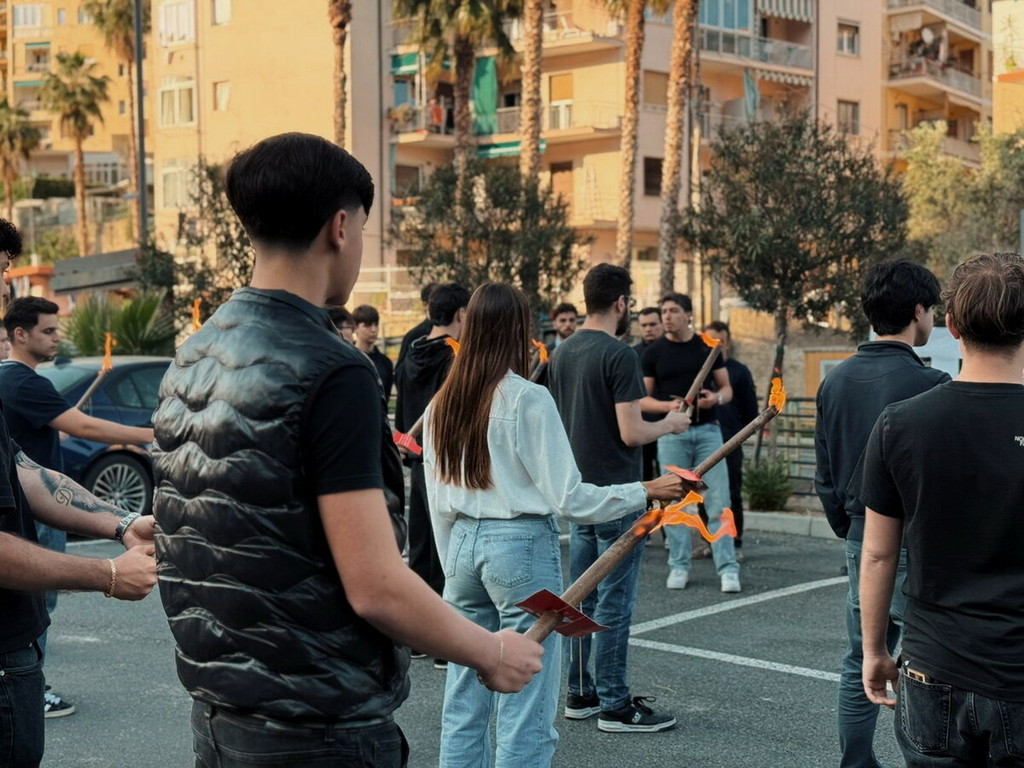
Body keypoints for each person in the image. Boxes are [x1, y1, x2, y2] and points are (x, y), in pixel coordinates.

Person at [152, 133, 541, 768]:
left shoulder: (193, 353)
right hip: (317, 731)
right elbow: (376, 586)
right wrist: (490, 651)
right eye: (361, 227)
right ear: (340, 227)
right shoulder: (333, 370)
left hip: (220, 719)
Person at [424, 282, 687, 765]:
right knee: (527, 696)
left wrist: (451, 568)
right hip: (519, 548)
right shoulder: (526, 398)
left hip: (460, 544)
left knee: (463, 695)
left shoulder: (443, 403)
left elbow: (435, 496)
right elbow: (571, 499)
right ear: (517, 331)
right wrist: (645, 489)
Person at [857, 252, 1024, 767]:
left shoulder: (900, 424)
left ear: (951, 325)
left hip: (932, 665)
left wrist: (873, 650)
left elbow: (878, 555)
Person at [814, 259, 948, 768]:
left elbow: (825, 473)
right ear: (917, 311)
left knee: (861, 658)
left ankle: (856, 762)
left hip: (861, 537)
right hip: (917, 538)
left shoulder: (835, 381)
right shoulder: (932, 382)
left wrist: (850, 527)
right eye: (931, 309)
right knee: (929, 663)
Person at [548, 264, 690, 733]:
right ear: (621, 303)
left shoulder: (562, 352)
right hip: (620, 496)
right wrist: (669, 424)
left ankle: (580, 693)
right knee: (614, 603)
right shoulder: (619, 353)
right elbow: (631, 433)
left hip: (580, 494)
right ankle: (614, 703)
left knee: (580, 599)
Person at [0, 295, 156, 718]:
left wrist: (123, 523)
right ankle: (40, 688)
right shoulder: (22, 381)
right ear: (20, 335)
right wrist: (108, 574)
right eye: (48, 330)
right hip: (6, 653)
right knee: (40, 599)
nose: (57, 338)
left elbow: (22, 468)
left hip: (34, 514)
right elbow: (82, 424)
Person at [642, 293, 739, 592]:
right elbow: (643, 399)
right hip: (672, 435)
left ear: (688, 315)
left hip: (708, 432)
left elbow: (726, 388)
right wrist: (667, 407)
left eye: (673, 311)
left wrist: (716, 398)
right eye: (664, 311)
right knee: (674, 503)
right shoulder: (653, 353)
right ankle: (679, 566)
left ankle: (728, 569)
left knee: (719, 501)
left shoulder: (707, 347)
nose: (667, 316)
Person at [394, 282, 469, 668]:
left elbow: (403, 403)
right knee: (447, 549)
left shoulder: (412, 350)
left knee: (422, 547)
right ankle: (443, 642)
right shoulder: (454, 355)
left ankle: (419, 636)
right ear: (461, 314)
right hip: (444, 461)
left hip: (417, 457)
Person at [702, 321, 758, 560]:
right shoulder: (699, 371)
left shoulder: (739, 371)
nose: (715, 345)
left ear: (727, 342)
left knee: (732, 492)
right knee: (703, 493)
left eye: (720, 340)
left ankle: (735, 542)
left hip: (730, 442)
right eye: (709, 340)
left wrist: (739, 435)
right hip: (703, 441)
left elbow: (750, 411)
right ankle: (709, 542)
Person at [634, 307, 665, 482]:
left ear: (662, 324)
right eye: (644, 325)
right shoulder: (632, 354)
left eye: (653, 324)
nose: (648, 329)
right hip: (642, 423)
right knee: (643, 475)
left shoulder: (671, 351)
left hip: (668, 422)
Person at [352, 304, 395, 399]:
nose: (373, 330)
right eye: (367, 325)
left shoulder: (385, 363)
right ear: (355, 328)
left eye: (376, 325)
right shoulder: (348, 359)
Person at [396, 283, 436, 367]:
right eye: (436, 301)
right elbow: (401, 370)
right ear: (425, 305)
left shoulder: (453, 331)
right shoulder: (414, 336)